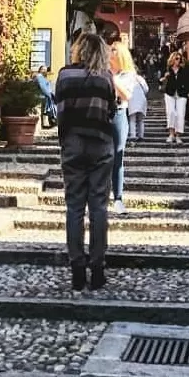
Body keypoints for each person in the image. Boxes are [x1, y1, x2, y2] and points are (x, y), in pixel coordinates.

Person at [54, 33, 115, 292]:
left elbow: (60, 111)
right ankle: (98, 268)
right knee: (99, 206)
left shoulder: (64, 76)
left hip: (73, 143)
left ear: (78, 50)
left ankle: (77, 269)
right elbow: (111, 111)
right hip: (100, 143)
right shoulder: (105, 78)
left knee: (75, 207)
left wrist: (65, 141)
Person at [109, 41, 136, 214]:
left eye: (113, 50)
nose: (110, 52)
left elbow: (126, 95)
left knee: (117, 157)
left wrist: (110, 79)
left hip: (118, 113)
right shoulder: (101, 70)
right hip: (100, 114)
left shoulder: (128, 74)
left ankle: (118, 198)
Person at [161, 52, 189, 144]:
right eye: (177, 58)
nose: (179, 60)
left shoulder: (184, 70)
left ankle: (178, 135)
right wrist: (163, 78)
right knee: (171, 113)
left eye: (180, 59)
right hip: (170, 93)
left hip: (182, 94)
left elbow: (188, 83)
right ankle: (171, 134)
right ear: (172, 59)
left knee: (180, 114)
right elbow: (160, 81)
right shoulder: (167, 70)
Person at [128, 70, 149, 145]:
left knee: (132, 120)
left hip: (131, 100)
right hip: (141, 100)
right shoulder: (140, 78)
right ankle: (141, 136)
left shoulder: (127, 78)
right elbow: (146, 89)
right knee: (140, 120)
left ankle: (132, 137)